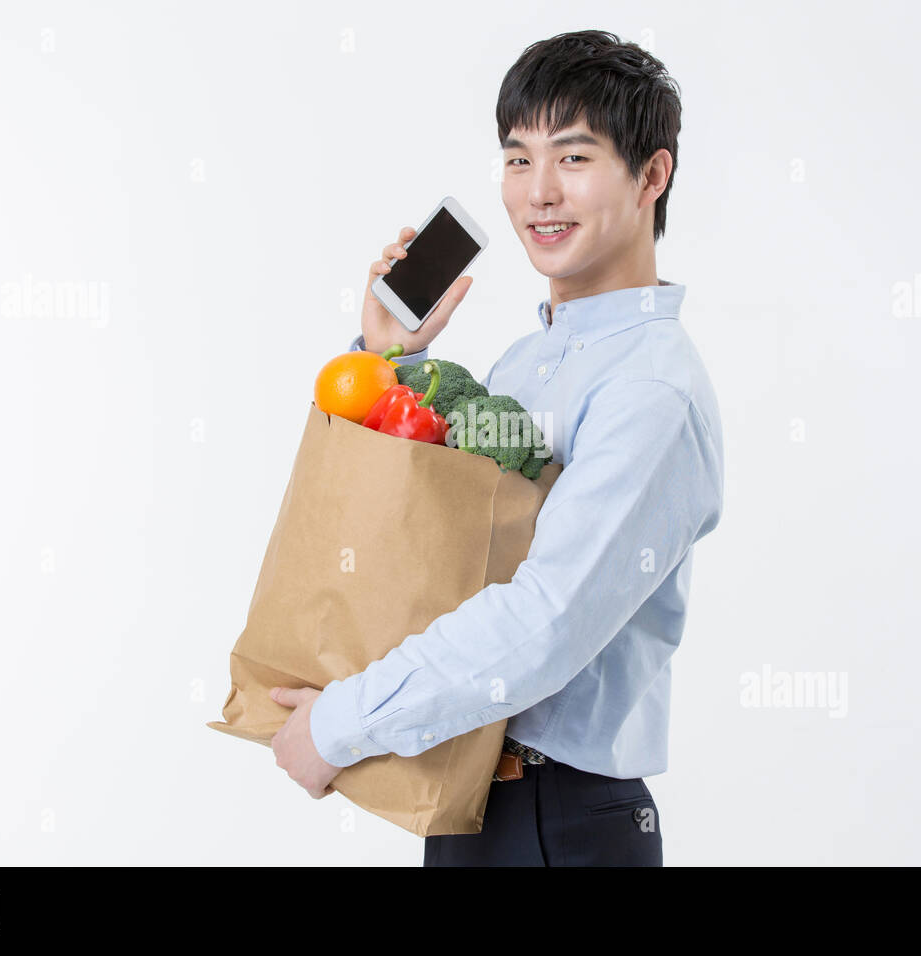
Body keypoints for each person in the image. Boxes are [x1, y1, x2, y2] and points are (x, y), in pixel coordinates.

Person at [269, 29, 724, 867]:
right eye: (518, 160)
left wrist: (339, 726)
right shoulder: (528, 358)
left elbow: (545, 621)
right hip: (472, 798)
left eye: (574, 158)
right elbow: (446, 549)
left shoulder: (650, 387)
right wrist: (385, 358)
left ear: (651, 175)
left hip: (562, 819)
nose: (539, 192)